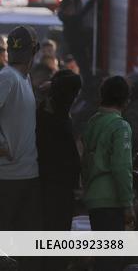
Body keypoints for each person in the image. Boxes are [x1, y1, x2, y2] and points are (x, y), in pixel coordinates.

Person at [82, 76, 134, 269]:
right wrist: (127, 203)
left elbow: (85, 160)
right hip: (111, 201)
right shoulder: (121, 126)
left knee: (102, 258)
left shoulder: (93, 122)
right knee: (111, 261)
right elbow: (121, 167)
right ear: (126, 100)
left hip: (94, 198)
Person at [0, 26, 43, 233]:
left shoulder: (24, 79)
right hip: (7, 177)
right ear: (35, 51)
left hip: (26, 174)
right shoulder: (7, 77)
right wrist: (2, 146)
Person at [36, 69, 83, 231]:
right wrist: (54, 85)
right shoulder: (50, 112)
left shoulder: (55, 111)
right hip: (54, 186)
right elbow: (76, 80)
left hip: (56, 185)